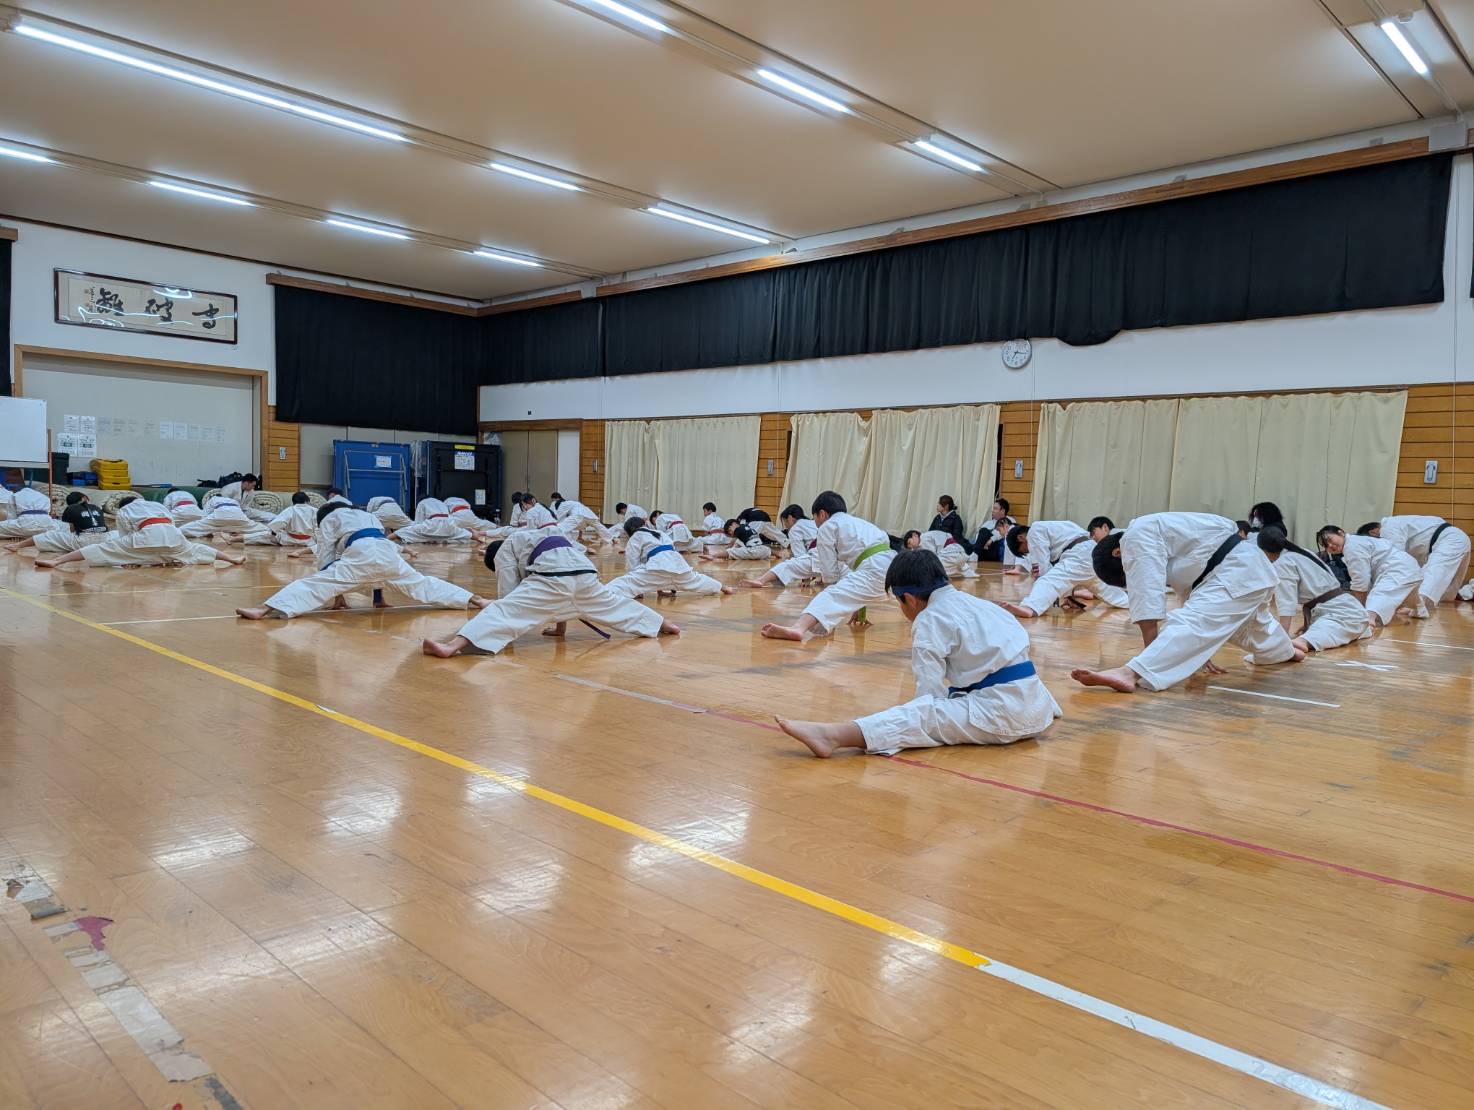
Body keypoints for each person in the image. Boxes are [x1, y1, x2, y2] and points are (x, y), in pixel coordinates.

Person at [775, 550, 1062, 757]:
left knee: (922, 714)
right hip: (1038, 707)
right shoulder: (983, 605)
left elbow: (929, 696)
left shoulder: (929, 619)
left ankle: (833, 735)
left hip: (1003, 717)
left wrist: (931, 711)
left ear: (910, 599)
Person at [1070, 512, 1301, 693]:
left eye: (1126, 575)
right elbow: (1191, 594)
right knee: (1251, 630)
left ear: (1118, 553)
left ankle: (1129, 673)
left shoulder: (1135, 536)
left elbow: (1147, 599)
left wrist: (1145, 663)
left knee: (1189, 622)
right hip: (1244, 571)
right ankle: (1284, 651)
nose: (1132, 576)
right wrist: (1196, 652)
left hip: (1236, 571)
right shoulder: (1159, 532)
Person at [421, 531, 678, 656]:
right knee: (617, 606)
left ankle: (451, 647)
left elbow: (509, 597)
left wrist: (509, 626)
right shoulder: (537, 535)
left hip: (554, 573)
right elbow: (564, 599)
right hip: (584, 572)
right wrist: (560, 629)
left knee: (502, 610)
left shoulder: (506, 549)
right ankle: (663, 624)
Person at [237, 503, 486, 619]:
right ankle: (476, 599)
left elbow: (326, 555)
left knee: (314, 584)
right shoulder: (367, 516)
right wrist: (377, 598)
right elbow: (377, 566)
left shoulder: (330, 519)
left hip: (362, 554)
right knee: (423, 584)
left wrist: (337, 595)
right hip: (387, 554)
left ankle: (263, 609)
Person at [761, 491, 895, 640]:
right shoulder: (861, 523)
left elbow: (830, 573)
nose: (815, 524)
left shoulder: (828, 527)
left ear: (822, 514)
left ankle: (798, 628)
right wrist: (858, 606)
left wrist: (829, 592)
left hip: (874, 569)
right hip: (894, 565)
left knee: (831, 593)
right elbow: (863, 577)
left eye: (815, 518)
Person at [37, 496, 244, 569]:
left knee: (102, 548)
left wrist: (128, 557)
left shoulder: (125, 510)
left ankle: (57, 561)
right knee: (195, 549)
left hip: (147, 535)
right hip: (173, 536)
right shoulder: (156, 505)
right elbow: (171, 523)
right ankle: (232, 559)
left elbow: (125, 535)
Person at [1256, 526, 1371, 654]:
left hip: (1341, 614)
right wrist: (1311, 622)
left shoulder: (1282, 563)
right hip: (1352, 611)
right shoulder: (1302, 552)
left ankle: (1301, 643)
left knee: (1304, 639)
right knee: (1326, 628)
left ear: (1264, 551)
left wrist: (1282, 637)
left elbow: (1287, 603)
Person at [998, 518, 1127, 618]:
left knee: (1047, 581)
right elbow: (1066, 576)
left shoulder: (1034, 531)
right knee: (1114, 596)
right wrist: (1067, 596)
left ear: (1021, 537)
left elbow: (1043, 569)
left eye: (1026, 549)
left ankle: (1030, 607)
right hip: (1092, 554)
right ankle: (1134, 603)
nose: (1030, 551)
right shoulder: (1062, 525)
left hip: (1079, 556)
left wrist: (1050, 597)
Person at [1316, 525, 1424, 626]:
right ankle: (1419, 610)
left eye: (1330, 540)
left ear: (1341, 533)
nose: (1330, 546)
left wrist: (1360, 610)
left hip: (1398, 569)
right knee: (1411, 596)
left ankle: (1369, 620)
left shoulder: (1352, 546)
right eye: (1325, 545)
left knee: (1379, 594)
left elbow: (1361, 580)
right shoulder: (1357, 541)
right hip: (1409, 567)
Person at [1365, 515, 1471, 611]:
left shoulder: (1388, 527)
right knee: (1446, 595)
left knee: (1430, 579)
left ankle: (1416, 607)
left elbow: (1393, 563)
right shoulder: (1396, 525)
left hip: (1451, 540)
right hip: (1455, 539)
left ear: (1373, 532)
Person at [607, 517, 730, 598]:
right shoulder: (660, 533)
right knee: (696, 580)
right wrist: (659, 588)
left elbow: (632, 564)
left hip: (657, 568)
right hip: (679, 566)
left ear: (629, 531)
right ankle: (722, 587)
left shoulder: (635, 537)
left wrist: (637, 588)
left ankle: (602, 594)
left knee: (626, 582)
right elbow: (667, 553)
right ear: (644, 524)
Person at [740, 505, 820, 588]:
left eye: (784, 521)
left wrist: (805, 578)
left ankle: (761, 580)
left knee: (786, 565)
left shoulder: (795, 528)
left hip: (817, 560)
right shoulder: (813, 523)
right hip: (827, 563)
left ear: (790, 518)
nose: (785, 525)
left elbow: (800, 556)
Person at [5, 491, 109, 555]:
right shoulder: (96, 508)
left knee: (50, 535)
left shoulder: (71, 509)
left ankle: (17, 545)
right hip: (104, 540)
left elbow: (68, 527)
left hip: (83, 541)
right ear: (85, 498)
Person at [246, 492, 317, 547]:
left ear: (293, 501)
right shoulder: (315, 510)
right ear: (306, 500)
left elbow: (279, 523)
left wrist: (273, 533)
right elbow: (319, 526)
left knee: (263, 536)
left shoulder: (291, 509)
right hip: (308, 542)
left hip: (289, 540)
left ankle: (241, 538)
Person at [393, 496, 472, 544]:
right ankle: (478, 538)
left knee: (402, 532)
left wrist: (415, 533)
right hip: (448, 525)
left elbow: (418, 521)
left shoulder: (422, 503)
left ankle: (387, 539)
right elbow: (449, 516)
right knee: (464, 533)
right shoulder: (441, 502)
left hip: (432, 525)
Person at [902, 528, 977, 578]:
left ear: (915, 535)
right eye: (909, 548)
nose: (912, 547)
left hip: (952, 553)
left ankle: (941, 577)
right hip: (959, 552)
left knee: (932, 567)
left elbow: (932, 556)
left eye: (909, 543)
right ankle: (966, 570)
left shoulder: (923, 539)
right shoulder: (926, 537)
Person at [180, 490, 254, 540]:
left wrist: (206, 530)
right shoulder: (233, 500)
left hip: (220, 515)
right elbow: (239, 513)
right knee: (257, 528)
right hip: (238, 517)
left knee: (184, 529)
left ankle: (178, 531)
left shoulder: (213, 499)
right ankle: (256, 533)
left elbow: (205, 515)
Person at [969, 498, 1019, 570]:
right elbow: (979, 535)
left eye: (995, 508)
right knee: (982, 531)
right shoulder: (988, 523)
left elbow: (1005, 533)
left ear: (1003, 511)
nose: (992, 511)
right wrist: (981, 543)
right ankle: (974, 554)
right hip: (983, 548)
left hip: (994, 548)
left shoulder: (1009, 520)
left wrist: (991, 539)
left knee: (984, 531)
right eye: (993, 508)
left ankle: (974, 555)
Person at [701, 518, 772, 561]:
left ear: (733, 524)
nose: (732, 532)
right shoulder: (748, 527)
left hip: (752, 552)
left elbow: (732, 542)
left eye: (730, 530)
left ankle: (712, 556)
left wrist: (727, 548)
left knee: (731, 551)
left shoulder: (737, 529)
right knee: (767, 549)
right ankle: (777, 554)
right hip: (763, 551)